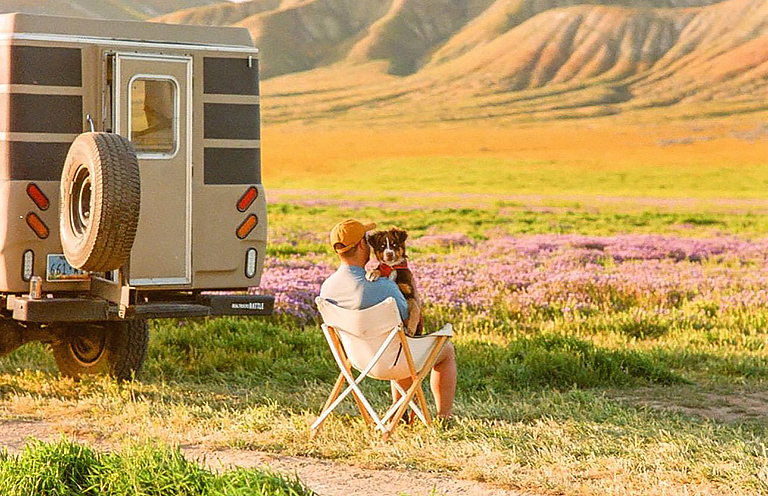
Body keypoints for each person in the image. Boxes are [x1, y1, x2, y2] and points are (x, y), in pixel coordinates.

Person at [319, 219, 457, 419]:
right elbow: (404, 326)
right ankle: (444, 417)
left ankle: (397, 410)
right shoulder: (385, 287)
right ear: (362, 246)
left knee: (395, 347)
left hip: (358, 361)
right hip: (393, 361)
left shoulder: (327, 288)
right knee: (445, 350)